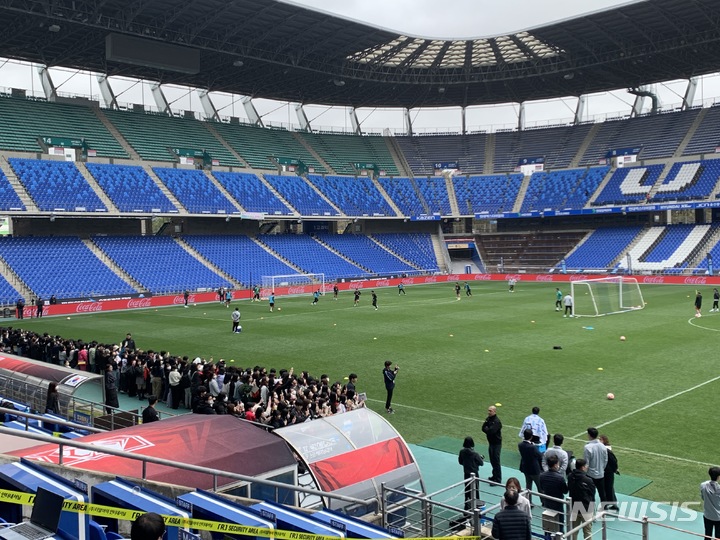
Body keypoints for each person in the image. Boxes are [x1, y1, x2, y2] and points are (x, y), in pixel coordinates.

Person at [539, 454, 569, 534]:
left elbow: (541, 488)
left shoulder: (542, 476)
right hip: (558, 503)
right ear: (555, 465)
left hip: (547, 502)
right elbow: (565, 491)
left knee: (548, 524)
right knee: (560, 525)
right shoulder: (560, 478)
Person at [568, 459, 596, 540]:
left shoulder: (570, 476)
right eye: (586, 466)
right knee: (587, 531)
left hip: (574, 506)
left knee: (573, 531)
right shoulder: (588, 480)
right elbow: (592, 493)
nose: (587, 467)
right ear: (582, 467)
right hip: (586, 507)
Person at [458, 436, 484, 510]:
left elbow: (460, 462)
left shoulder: (462, 452)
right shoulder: (475, 454)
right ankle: (477, 506)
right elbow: (481, 463)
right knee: (476, 490)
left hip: (466, 473)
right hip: (474, 474)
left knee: (467, 490)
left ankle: (467, 506)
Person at [584, 427, 608, 506]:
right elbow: (605, 460)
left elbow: (586, 462)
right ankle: (604, 508)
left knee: (590, 493)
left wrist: (585, 472)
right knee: (602, 492)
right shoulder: (602, 446)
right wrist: (601, 469)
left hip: (590, 474)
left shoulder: (587, 447)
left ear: (589, 435)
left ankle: (591, 510)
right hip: (601, 473)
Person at [518, 428, 543, 503]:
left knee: (528, 487)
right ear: (531, 437)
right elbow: (539, 455)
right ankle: (544, 502)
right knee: (540, 487)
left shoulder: (520, 445)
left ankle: (529, 502)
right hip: (534, 469)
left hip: (526, 468)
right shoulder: (532, 447)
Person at [482, 405, 503, 483]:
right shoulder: (488, 419)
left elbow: (492, 431)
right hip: (491, 443)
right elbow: (483, 428)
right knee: (492, 460)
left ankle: (498, 479)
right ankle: (494, 476)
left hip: (496, 444)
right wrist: (488, 430)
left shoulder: (497, 421)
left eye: (490, 411)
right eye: (488, 410)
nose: (489, 412)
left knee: (496, 461)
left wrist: (487, 429)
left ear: (494, 411)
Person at [599, 434, 619, 511]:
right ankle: (612, 504)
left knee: (605, 488)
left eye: (600, 439)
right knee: (609, 488)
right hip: (607, 471)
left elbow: (613, 461)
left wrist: (615, 469)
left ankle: (606, 505)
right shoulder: (606, 449)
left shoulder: (606, 450)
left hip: (606, 471)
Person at [700, 466, 720, 539]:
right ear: (718, 477)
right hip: (718, 517)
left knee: (707, 536)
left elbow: (703, 497)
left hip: (707, 516)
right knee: (718, 537)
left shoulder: (703, 485)